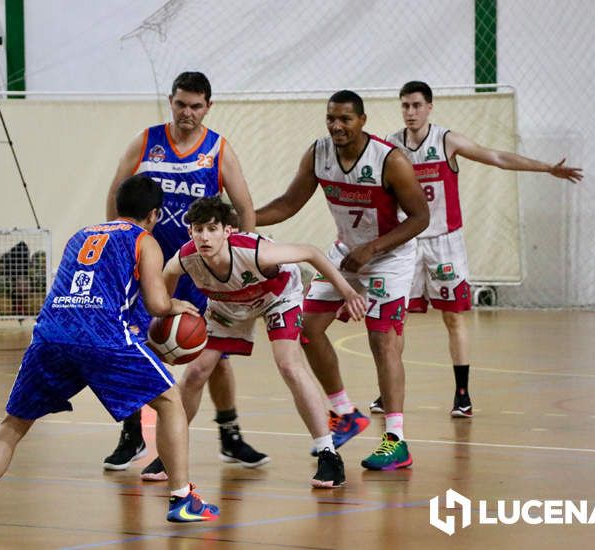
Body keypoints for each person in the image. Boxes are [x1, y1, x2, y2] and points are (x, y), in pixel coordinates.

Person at [0, 176, 219, 535]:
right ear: (155, 214)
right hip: (101, 334)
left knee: (12, 424)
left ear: (119, 205)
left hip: (51, 333)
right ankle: (183, 500)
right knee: (171, 401)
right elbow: (156, 302)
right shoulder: (145, 240)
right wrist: (175, 306)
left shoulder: (82, 234)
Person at [369, 80, 583, 418]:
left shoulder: (446, 140)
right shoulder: (390, 146)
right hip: (407, 242)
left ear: (429, 107)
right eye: (405, 106)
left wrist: (546, 167)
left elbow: (496, 157)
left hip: (444, 242)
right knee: (396, 320)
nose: (410, 112)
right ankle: (387, 391)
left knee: (453, 317)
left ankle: (463, 394)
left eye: (416, 106)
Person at [104, 71, 267, 479]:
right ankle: (131, 434)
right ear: (171, 101)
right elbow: (116, 192)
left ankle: (229, 434)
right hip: (152, 266)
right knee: (136, 349)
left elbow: (245, 206)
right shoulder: (146, 141)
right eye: (181, 104)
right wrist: (120, 242)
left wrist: (242, 258)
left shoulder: (218, 149)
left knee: (217, 355)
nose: (187, 112)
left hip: (203, 267)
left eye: (196, 106)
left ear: (208, 107)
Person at [255, 91, 429, 471]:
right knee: (307, 328)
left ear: (362, 121)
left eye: (345, 119)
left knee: (382, 339)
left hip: (390, 256)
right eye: (331, 118)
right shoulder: (318, 153)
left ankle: (396, 440)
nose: (336, 125)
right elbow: (288, 203)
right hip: (345, 253)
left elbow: (420, 218)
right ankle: (344, 412)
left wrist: (373, 248)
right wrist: (243, 218)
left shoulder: (390, 160)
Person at [143, 197, 366, 486]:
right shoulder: (185, 258)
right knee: (196, 372)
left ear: (228, 231)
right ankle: (167, 455)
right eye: (198, 229)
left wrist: (347, 292)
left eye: (212, 229)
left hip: (277, 298)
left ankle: (328, 455)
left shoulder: (255, 252)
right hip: (227, 305)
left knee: (288, 364)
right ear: (190, 233)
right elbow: (166, 282)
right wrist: (169, 306)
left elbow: (310, 252)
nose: (205, 236)